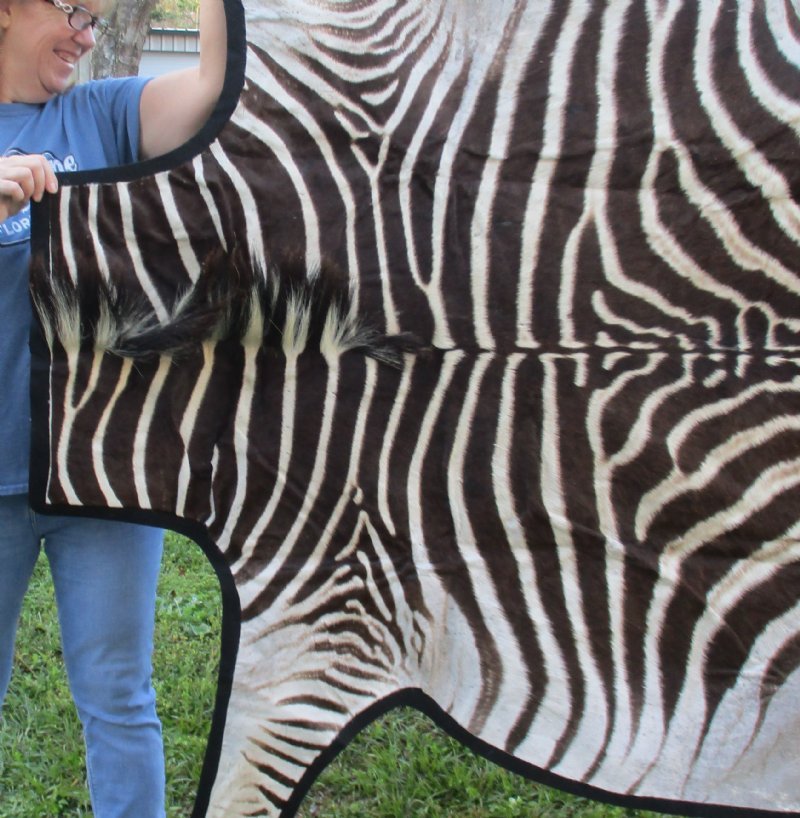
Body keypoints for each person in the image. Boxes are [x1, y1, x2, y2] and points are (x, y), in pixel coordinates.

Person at [0, 0, 227, 815]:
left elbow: (211, 82)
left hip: (100, 472)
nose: (87, 34)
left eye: (96, 18)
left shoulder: (102, 112)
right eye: (71, 10)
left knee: (121, 698)